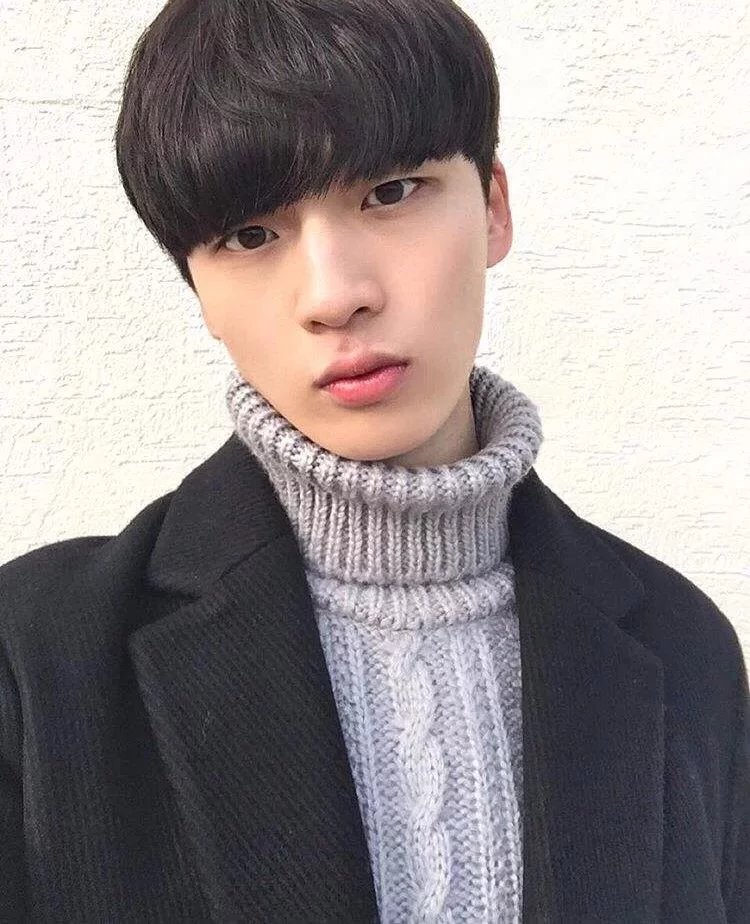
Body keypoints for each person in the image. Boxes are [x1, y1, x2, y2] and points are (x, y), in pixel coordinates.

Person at [0, 0, 747, 920]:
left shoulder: (684, 649)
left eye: (391, 192)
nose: (334, 294)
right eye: (249, 236)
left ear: (494, 207)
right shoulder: (34, 660)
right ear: (198, 288)